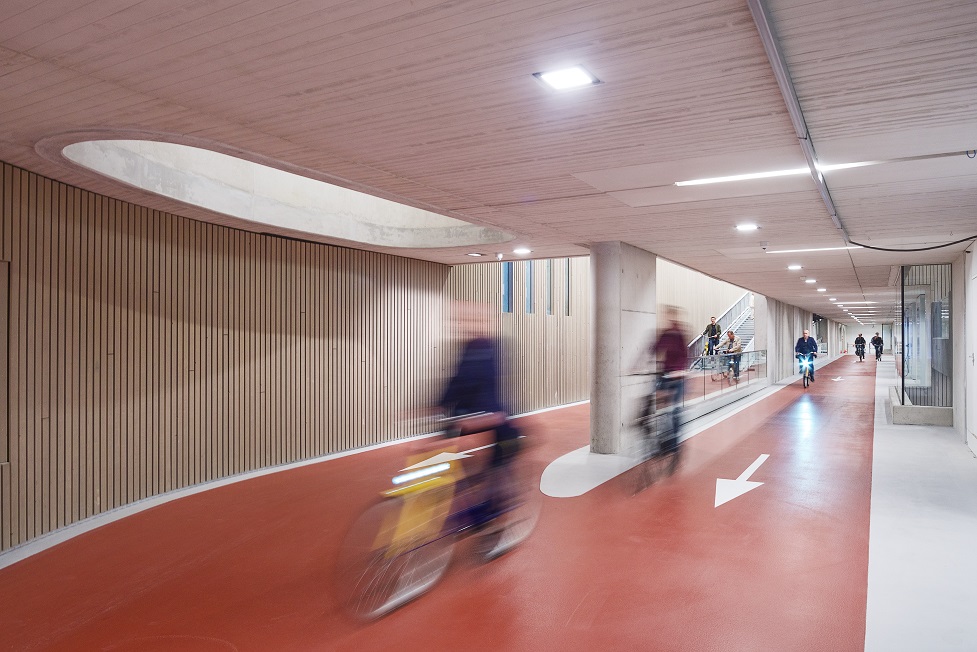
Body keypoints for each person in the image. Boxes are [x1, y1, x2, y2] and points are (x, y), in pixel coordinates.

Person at [438, 302, 519, 515]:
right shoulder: (468, 349)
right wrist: (431, 407)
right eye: (462, 320)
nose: (467, 325)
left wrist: (481, 418)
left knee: (495, 469)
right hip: (469, 418)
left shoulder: (493, 350)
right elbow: (455, 384)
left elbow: (490, 393)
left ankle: (493, 517)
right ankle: (469, 494)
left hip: (496, 422)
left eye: (475, 320)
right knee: (452, 461)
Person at [650, 307, 691, 447]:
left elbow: (684, 357)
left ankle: (674, 441)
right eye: (668, 317)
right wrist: (639, 365)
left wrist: (680, 371)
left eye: (672, 317)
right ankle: (658, 434)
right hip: (665, 374)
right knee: (656, 403)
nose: (670, 320)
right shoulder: (665, 334)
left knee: (674, 410)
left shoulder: (680, 335)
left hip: (678, 377)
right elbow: (653, 349)